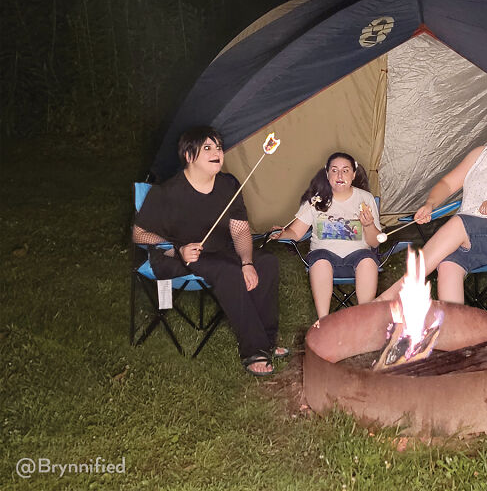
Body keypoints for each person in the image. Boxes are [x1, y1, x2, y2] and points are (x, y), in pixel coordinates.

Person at [133, 126, 286, 377]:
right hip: (177, 257)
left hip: (219, 251)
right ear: (189, 156)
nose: (217, 153)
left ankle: (267, 341)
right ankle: (253, 349)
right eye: (207, 148)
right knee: (227, 271)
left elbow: (240, 231)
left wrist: (247, 262)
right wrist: (178, 250)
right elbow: (139, 234)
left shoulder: (228, 185)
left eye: (218, 147)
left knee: (267, 262)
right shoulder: (167, 192)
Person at [377, 101, 487, 304]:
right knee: (448, 264)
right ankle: (455, 323)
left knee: (458, 223)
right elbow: (447, 184)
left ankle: (391, 296)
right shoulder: (481, 154)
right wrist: (430, 204)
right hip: (464, 233)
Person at [270, 152, 382, 318]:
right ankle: (323, 321)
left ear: (353, 174)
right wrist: (282, 234)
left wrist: (369, 225)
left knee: (368, 260)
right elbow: (296, 232)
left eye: (345, 170)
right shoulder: (316, 200)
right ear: (327, 173)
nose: (340, 176)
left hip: (358, 256)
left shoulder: (365, 198)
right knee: (320, 259)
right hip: (323, 256)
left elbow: (374, 243)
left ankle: (365, 320)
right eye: (334, 170)